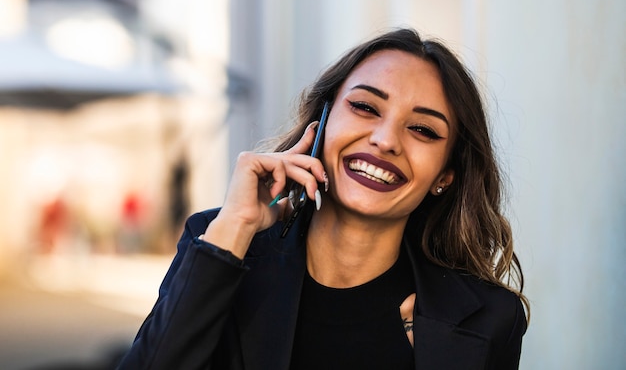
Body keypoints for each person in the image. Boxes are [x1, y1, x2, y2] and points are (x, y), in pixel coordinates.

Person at [117, 28, 528, 370]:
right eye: (366, 106)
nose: (385, 141)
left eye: (422, 129)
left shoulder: (489, 319)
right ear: (322, 123)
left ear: (445, 176)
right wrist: (235, 225)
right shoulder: (220, 246)